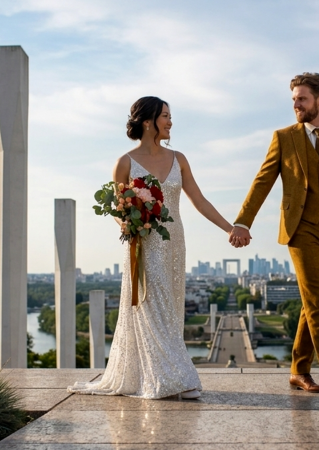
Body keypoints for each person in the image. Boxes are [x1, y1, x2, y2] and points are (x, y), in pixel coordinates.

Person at [68, 96, 233, 399]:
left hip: (174, 241)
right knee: (150, 303)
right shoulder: (125, 163)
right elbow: (119, 210)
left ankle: (162, 374)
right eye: (166, 116)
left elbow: (199, 200)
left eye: (171, 116)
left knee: (169, 308)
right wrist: (132, 225)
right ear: (148, 122)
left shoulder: (179, 158)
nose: (171, 122)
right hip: (142, 243)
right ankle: (174, 377)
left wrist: (229, 228)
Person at [229, 73, 319, 398]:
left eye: (301, 98)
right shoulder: (284, 137)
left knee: (313, 303)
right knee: (318, 305)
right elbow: (262, 180)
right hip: (300, 229)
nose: (295, 104)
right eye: (293, 99)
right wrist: (243, 222)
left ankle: (298, 370)